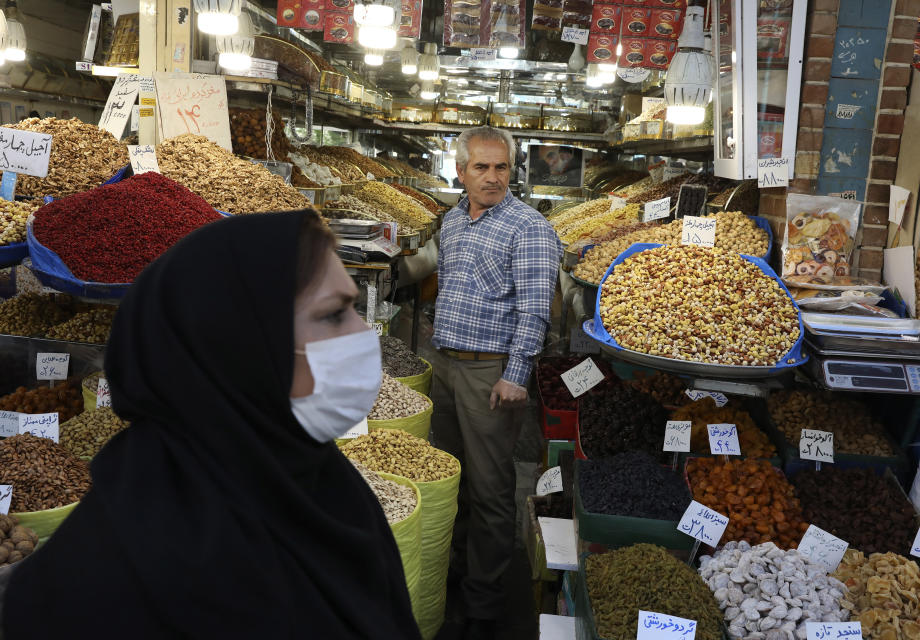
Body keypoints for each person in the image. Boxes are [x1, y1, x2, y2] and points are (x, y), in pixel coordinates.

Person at [0, 211, 420, 639]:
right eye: (333, 314)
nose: (362, 332)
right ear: (241, 346)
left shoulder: (325, 484)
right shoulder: (108, 576)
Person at [430, 126, 561, 637]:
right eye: (480, 167)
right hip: (447, 365)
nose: (492, 177)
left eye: (501, 167)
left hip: (490, 372)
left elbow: (535, 312)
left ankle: (484, 600)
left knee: (489, 486)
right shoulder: (453, 221)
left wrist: (514, 374)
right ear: (460, 172)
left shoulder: (528, 227)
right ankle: (457, 571)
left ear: (512, 170)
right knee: (454, 475)